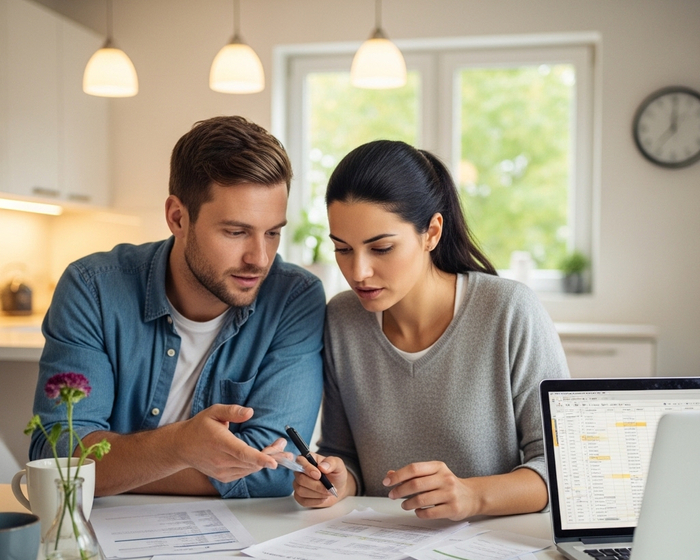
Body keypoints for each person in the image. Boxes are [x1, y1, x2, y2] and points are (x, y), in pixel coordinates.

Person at [29, 116, 325, 499]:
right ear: (177, 217)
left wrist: (110, 472)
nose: (260, 258)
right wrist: (179, 446)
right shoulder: (93, 289)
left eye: (272, 233)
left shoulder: (294, 299)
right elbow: (59, 458)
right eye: (236, 232)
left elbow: (272, 472)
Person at [292, 140, 569, 521]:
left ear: (432, 232)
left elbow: (559, 469)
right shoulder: (343, 319)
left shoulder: (508, 311)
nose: (358, 272)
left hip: (491, 551)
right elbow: (345, 454)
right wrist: (338, 481)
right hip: (374, 551)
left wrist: (472, 495)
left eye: (382, 248)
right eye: (342, 249)